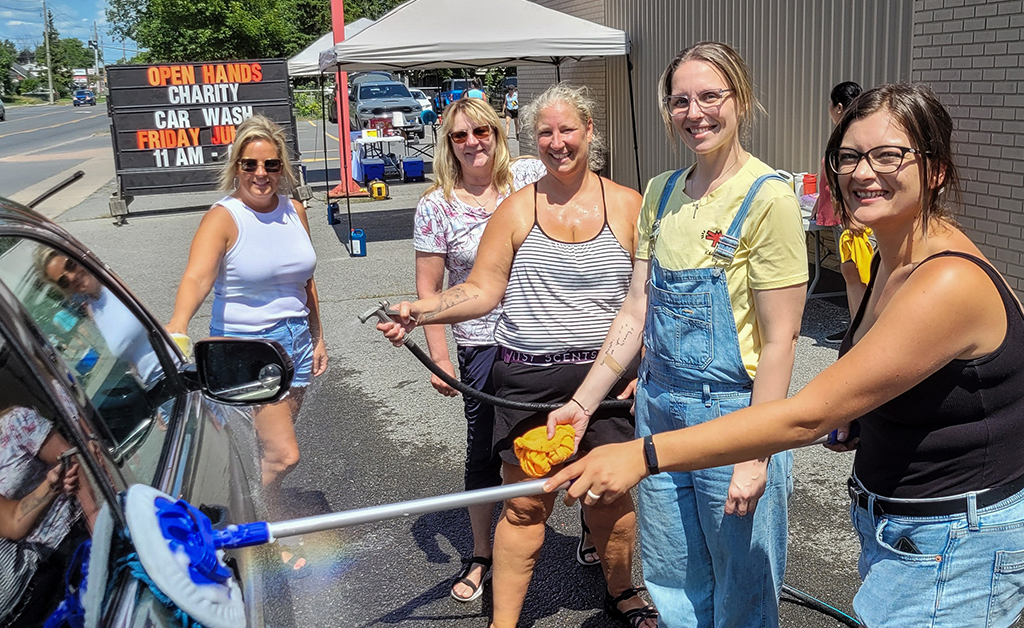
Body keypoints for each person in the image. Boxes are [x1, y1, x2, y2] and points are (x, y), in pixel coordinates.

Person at [548, 81, 1024, 628]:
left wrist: (643, 455)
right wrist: (865, 411)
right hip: (904, 527)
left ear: (935, 168)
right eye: (848, 157)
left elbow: (806, 414)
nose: (863, 173)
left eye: (888, 154)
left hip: (953, 540)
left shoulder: (945, 279)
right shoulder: (890, 259)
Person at [548, 42, 808, 628]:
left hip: (733, 414)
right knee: (672, 574)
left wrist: (756, 452)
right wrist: (582, 403)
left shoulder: (769, 198)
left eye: (710, 96)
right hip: (658, 403)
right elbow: (634, 310)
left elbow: (782, 339)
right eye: (680, 101)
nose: (696, 113)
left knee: (742, 584)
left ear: (740, 99)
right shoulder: (661, 192)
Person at [379, 83, 657, 628]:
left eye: (567, 129)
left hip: (604, 379)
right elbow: (482, 289)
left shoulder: (628, 204)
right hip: (526, 377)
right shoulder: (515, 208)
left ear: (589, 132)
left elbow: (645, 297)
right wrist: (423, 310)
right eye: (546, 132)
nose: (557, 142)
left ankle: (621, 590)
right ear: (535, 140)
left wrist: (642, 359)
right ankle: (503, 621)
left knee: (609, 499)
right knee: (527, 504)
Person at [413, 97, 545, 602]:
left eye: (482, 132)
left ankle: (591, 539)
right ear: (448, 144)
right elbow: (429, 289)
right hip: (481, 343)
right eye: (460, 136)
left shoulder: (528, 176)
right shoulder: (436, 204)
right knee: (486, 447)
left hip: (545, 336)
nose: (473, 143)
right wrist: (441, 359)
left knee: (568, 434)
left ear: (499, 132)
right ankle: (481, 553)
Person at [167, 114, 328, 508]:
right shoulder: (224, 217)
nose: (261, 173)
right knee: (283, 454)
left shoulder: (295, 210)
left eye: (271, 164)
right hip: (247, 347)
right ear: (236, 166)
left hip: (296, 341)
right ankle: (240, 516)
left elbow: (305, 281)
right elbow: (197, 278)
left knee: (265, 447)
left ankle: (263, 524)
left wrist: (319, 337)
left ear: (282, 167)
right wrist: (177, 327)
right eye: (250, 164)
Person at [0, 406, 81, 627]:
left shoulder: (14, 423)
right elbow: (14, 522)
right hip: (42, 565)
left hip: (70, 536)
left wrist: (95, 519)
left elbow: (74, 463)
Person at [810, 81, 871, 342]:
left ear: (837, 106)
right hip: (844, 214)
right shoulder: (850, 134)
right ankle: (858, 327)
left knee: (856, 273)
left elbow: (848, 179)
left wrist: (852, 216)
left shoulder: (849, 137)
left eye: (830, 105)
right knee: (852, 271)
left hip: (850, 217)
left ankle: (859, 329)